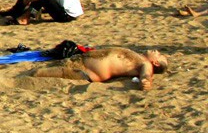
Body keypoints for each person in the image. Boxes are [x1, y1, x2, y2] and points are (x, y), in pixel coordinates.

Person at [30, 48, 167, 90]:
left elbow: (146, 74)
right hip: (80, 62)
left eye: (159, 55)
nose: (156, 51)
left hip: (88, 73)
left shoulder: (145, 63)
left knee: (38, 73)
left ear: (155, 63)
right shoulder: (137, 55)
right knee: (41, 71)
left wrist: (145, 81)